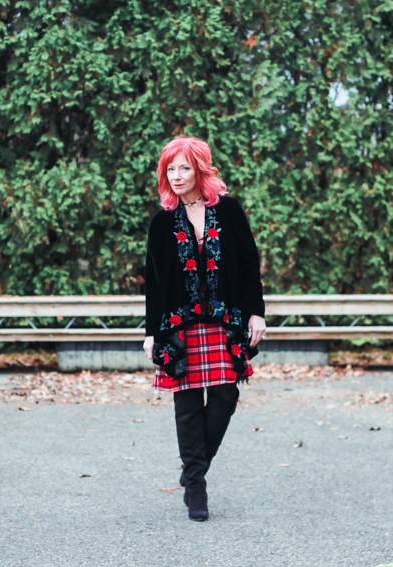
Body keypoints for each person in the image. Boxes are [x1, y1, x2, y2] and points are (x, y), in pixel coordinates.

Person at [143, 135, 266, 522]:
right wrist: (151, 332)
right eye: (170, 169)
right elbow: (154, 280)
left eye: (184, 167)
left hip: (225, 321)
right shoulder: (162, 223)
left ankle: (192, 469)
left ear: (200, 169)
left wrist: (256, 313)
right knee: (187, 405)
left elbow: (248, 264)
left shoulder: (227, 210)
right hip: (179, 326)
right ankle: (196, 487)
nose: (177, 176)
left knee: (226, 397)